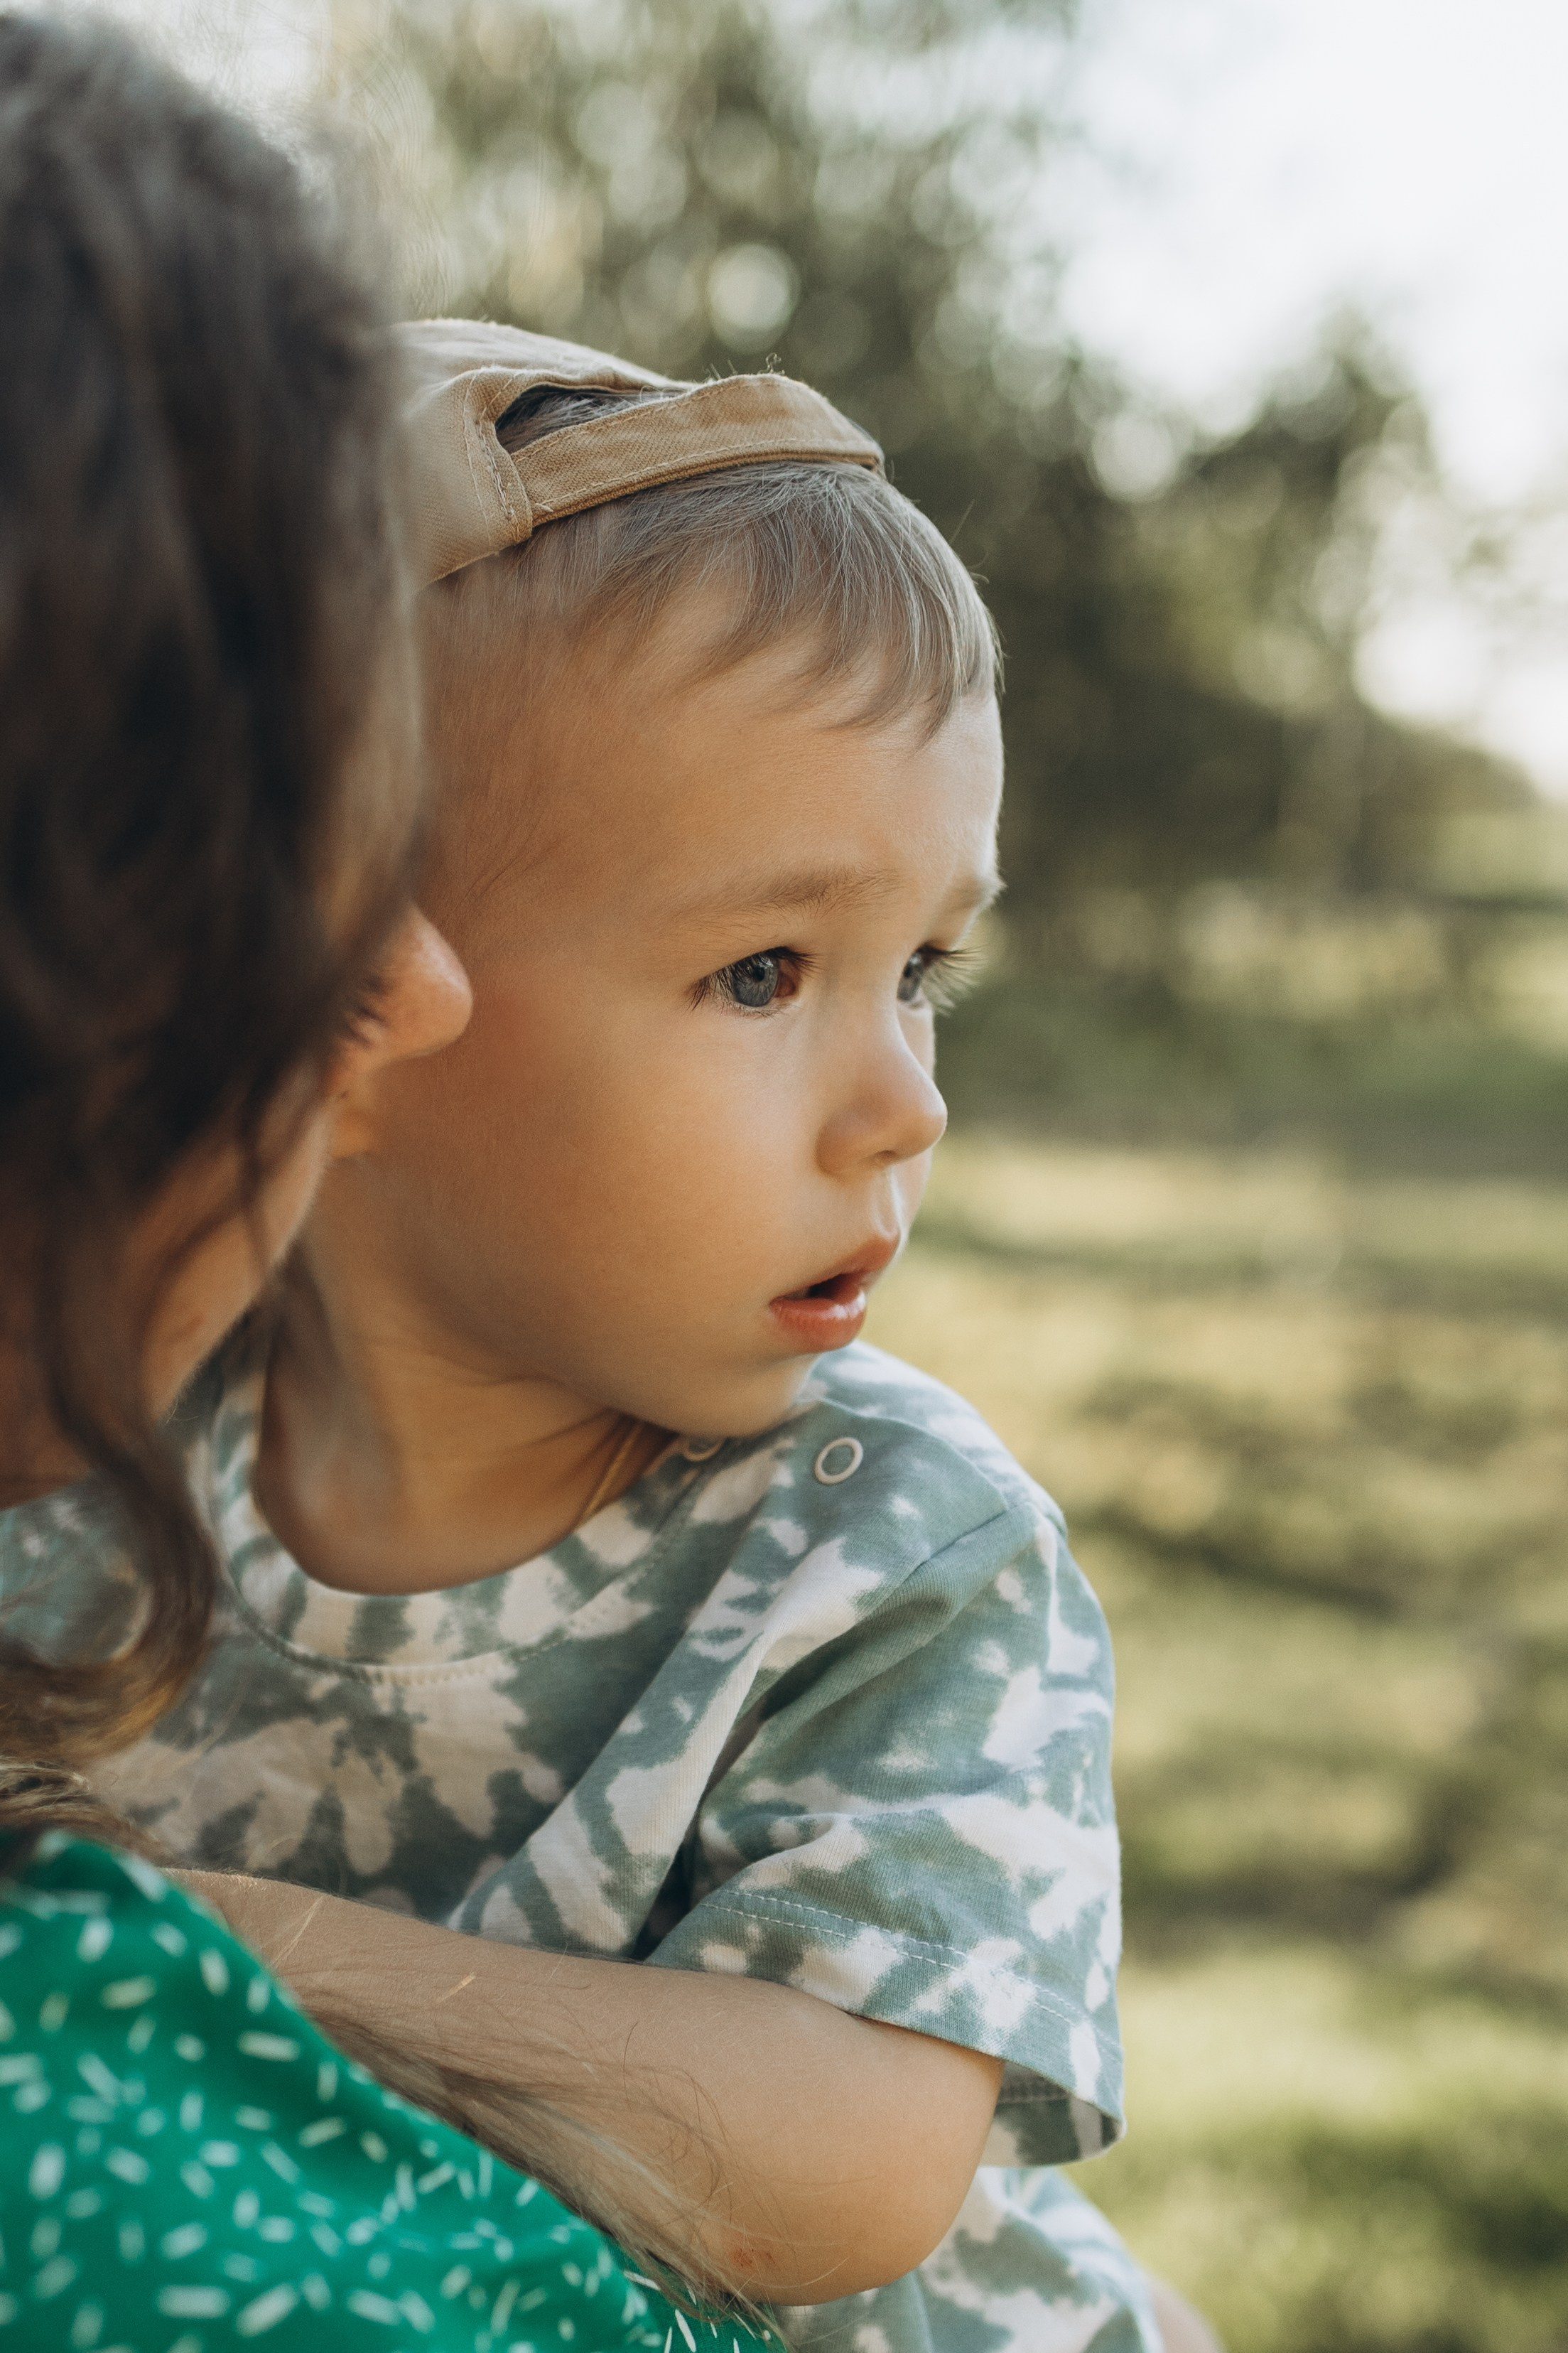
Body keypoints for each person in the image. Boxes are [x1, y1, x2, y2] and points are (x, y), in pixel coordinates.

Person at [4, 319, 1223, 2349]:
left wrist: (206, 1957)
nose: (905, 1098)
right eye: (764, 972)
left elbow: (840, 2161)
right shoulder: (97, 1466)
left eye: (923, 970)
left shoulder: (892, 1543)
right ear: (358, 987)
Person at [0, 21, 780, 2352]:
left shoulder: (893, 1536)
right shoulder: (118, 2176)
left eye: (927, 963)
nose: (412, 991)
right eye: (344, 831)